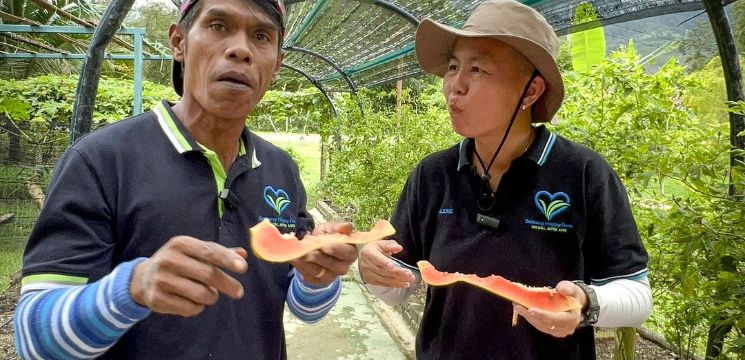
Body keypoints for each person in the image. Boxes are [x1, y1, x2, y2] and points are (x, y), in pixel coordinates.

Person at [14, 0, 358, 358]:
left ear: (276, 65)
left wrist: (318, 277)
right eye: (218, 26)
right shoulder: (100, 160)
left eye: (261, 36)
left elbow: (305, 308)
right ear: (179, 42)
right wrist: (130, 289)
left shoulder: (281, 168)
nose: (240, 50)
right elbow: (32, 342)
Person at [358, 1, 652, 359]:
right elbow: (399, 287)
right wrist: (373, 269)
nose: (455, 86)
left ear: (530, 91)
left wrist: (587, 302)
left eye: (478, 68)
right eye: (453, 67)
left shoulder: (584, 173)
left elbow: (637, 295)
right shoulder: (432, 175)